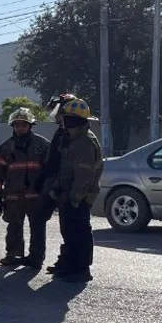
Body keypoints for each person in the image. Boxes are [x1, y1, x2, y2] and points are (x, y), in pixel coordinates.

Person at [0, 107, 51, 267]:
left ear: (30, 125)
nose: (20, 128)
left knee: (37, 228)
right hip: (13, 197)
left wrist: (47, 193)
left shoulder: (42, 145)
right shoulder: (6, 147)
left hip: (35, 197)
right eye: (16, 125)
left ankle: (36, 258)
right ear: (13, 126)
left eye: (23, 124)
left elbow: (50, 170)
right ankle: (13, 255)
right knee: (14, 228)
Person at [53, 98, 103, 283]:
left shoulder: (84, 143)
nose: (64, 124)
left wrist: (74, 199)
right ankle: (71, 265)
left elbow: (84, 177)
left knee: (79, 232)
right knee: (69, 232)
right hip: (69, 194)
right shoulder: (72, 138)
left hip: (79, 197)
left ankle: (81, 269)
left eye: (67, 120)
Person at [32, 94, 76, 274]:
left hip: (64, 184)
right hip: (51, 182)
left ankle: (67, 262)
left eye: (56, 110)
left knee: (67, 225)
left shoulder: (73, 133)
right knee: (37, 218)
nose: (54, 115)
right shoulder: (61, 131)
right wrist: (41, 181)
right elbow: (52, 160)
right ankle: (35, 258)